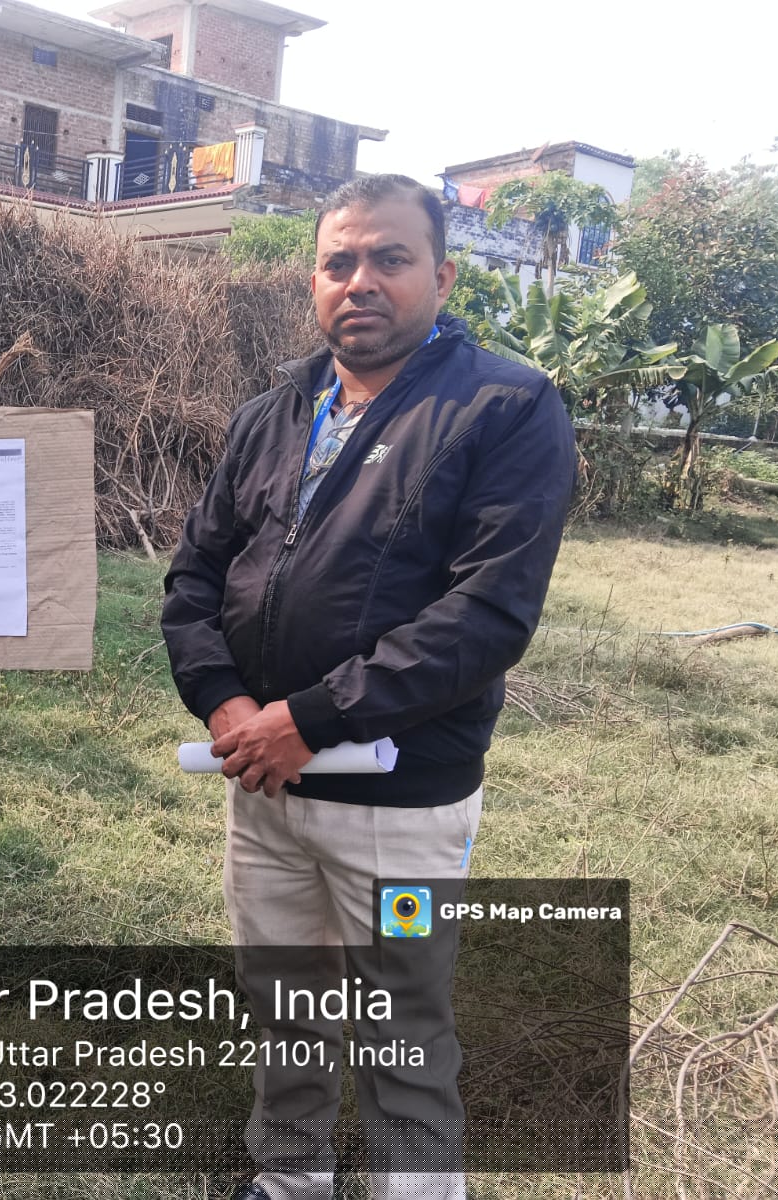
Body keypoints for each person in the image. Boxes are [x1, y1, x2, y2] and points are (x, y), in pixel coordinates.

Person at [161, 175, 575, 1200]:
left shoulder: (503, 407)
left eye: (389, 259)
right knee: (283, 1009)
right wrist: (224, 704)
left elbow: (486, 615)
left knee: (403, 1027)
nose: (361, 281)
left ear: (442, 275)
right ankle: (289, 1180)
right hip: (263, 788)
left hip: (401, 800)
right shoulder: (271, 416)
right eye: (338, 262)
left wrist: (310, 718)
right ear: (312, 280)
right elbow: (194, 578)